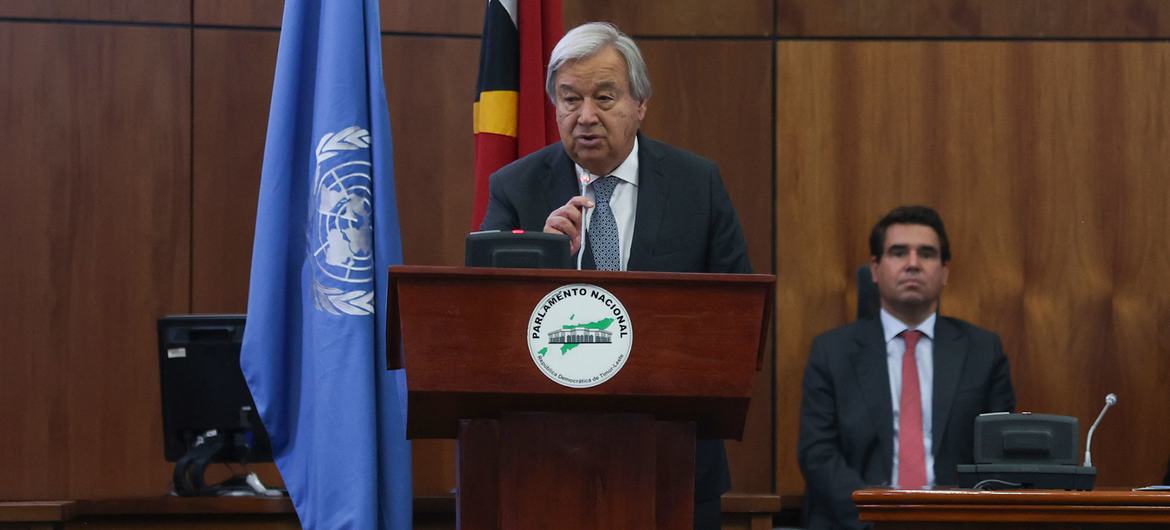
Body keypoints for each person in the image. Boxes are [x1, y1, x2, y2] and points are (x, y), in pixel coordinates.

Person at [480, 21, 751, 530]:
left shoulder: (699, 187)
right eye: (569, 100)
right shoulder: (514, 189)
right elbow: (482, 326)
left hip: (673, 460)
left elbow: (739, 320)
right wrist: (543, 260)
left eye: (605, 98)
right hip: (543, 462)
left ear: (640, 103)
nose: (585, 117)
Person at [797, 205, 1016, 530]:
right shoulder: (832, 351)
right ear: (874, 268)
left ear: (944, 272)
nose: (912, 264)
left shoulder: (983, 351)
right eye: (898, 253)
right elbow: (818, 454)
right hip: (857, 523)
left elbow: (999, 457)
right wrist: (875, 518)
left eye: (926, 254)